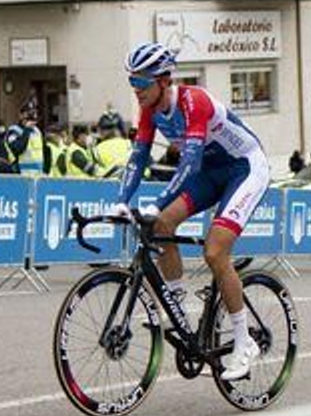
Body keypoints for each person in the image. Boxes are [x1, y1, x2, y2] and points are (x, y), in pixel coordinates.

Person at [113, 43, 271, 381]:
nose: (136, 91)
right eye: (132, 83)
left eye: (141, 83)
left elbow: (190, 161)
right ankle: (178, 302)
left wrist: (157, 201)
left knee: (215, 251)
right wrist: (123, 199)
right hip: (209, 174)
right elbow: (139, 156)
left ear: (164, 80)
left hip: (244, 169)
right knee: (161, 224)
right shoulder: (150, 111)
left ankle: (244, 342)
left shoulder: (193, 101)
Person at [4, 106, 45, 175]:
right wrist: (26, 130)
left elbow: (42, 151)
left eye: (33, 119)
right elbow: (18, 149)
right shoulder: (14, 130)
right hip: (22, 172)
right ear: (21, 116)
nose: (32, 122)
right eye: (28, 118)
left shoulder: (36, 131)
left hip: (38, 173)